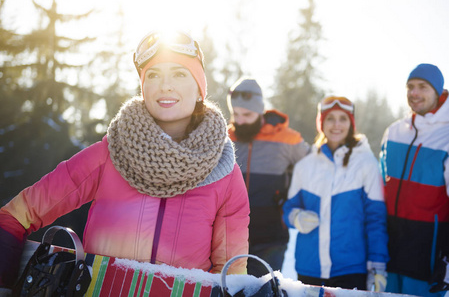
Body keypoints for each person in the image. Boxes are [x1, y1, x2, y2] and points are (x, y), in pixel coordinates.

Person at [0, 30, 250, 292]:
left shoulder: (225, 175)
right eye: (153, 75)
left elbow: (230, 275)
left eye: (179, 73)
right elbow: (17, 216)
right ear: (143, 88)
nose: (165, 85)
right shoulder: (108, 155)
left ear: (200, 89)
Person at [283, 96, 389, 291]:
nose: (336, 124)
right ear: (321, 123)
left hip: (350, 270)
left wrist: (377, 266)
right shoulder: (305, 166)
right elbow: (289, 208)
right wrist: (296, 217)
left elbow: (376, 219)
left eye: (343, 118)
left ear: (351, 123)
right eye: (330, 118)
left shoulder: (366, 163)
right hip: (309, 269)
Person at [227, 77, 310, 277]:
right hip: (231, 237)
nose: (240, 120)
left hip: (271, 237)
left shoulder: (287, 139)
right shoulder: (226, 139)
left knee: (264, 290)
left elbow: (316, 169)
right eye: (236, 114)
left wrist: (296, 205)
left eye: (247, 114)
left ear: (260, 110)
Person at [380, 63, 449, 296]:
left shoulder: (447, 136)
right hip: (389, 252)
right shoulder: (394, 132)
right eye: (410, 87)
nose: (414, 93)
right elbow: (381, 186)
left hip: (427, 256)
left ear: (439, 92)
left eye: (423, 87)